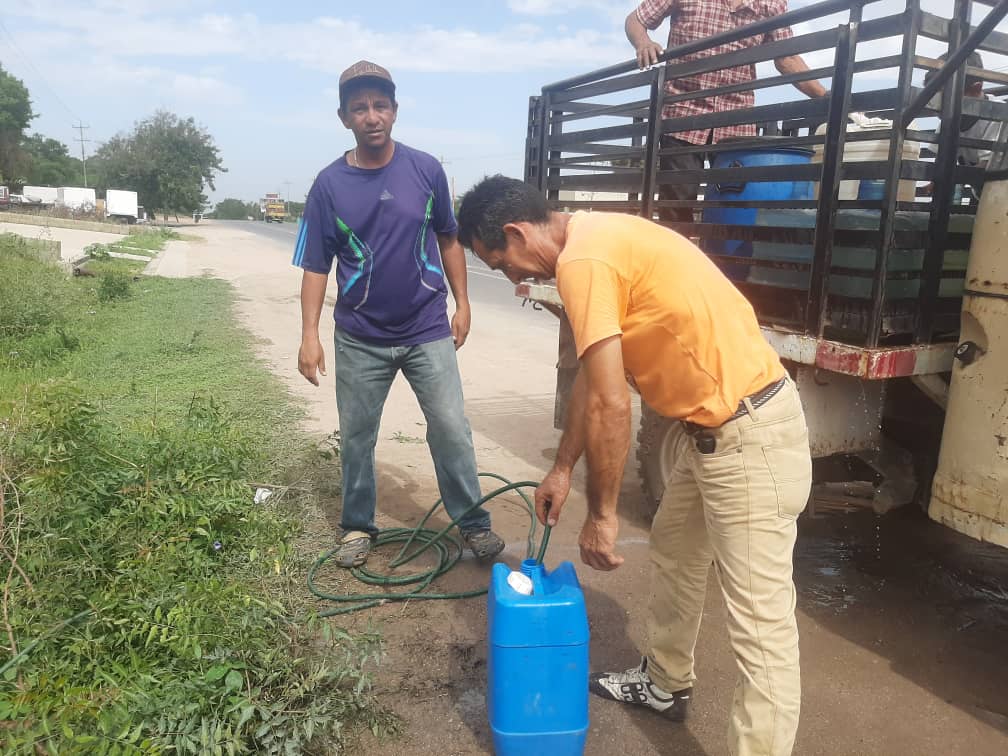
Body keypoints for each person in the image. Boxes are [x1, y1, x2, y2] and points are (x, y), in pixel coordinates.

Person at [457, 175, 812, 756]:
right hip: (710, 435)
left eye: (503, 263)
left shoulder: (583, 262)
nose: (514, 277)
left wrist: (603, 513)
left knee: (761, 627)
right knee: (675, 552)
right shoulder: (588, 238)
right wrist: (562, 469)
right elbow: (595, 383)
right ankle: (666, 685)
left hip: (750, 437)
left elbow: (612, 405)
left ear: (518, 232)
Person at [294, 61, 504, 567]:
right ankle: (356, 527)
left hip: (427, 326)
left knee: (451, 426)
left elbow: (449, 239)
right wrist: (309, 335)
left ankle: (474, 525)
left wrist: (464, 302)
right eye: (360, 107)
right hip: (360, 335)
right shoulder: (328, 186)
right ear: (344, 117)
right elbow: (316, 267)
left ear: (395, 110)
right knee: (358, 434)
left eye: (380, 105)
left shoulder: (426, 169)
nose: (372, 116)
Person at [625, 0, 827, 223]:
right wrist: (643, 43)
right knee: (677, 204)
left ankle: (725, 256)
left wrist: (825, 96)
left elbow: (787, 58)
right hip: (683, 114)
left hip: (736, 119)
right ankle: (677, 254)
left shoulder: (772, 3)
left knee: (734, 204)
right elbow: (636, 19)